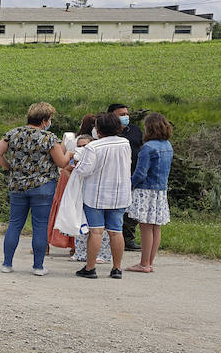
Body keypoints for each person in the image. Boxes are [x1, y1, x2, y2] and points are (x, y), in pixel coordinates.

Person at [0, 102, 69, 275]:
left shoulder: (13, 133)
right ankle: (38, 267)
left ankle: (7, 264)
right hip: (42, 186)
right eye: (49, 119)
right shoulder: (49, 138)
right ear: (44, 120)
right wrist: (70, 154)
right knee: (40, 226)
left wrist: (9, 168)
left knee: (14, 224)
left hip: (17, 185)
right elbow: (61, 163)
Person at [70, 112, 132, 279]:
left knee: (96, 232)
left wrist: (77, 162)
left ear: (98, 129)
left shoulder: (93, 147)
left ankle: (90, 268)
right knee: (116, 231)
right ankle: (117, 268)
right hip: (120, 194)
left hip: (96, 195)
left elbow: (84, 170)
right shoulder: (125, 143)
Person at [126, 112, 174, 273]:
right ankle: (149, 262)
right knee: (155, 227)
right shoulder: (167, 145)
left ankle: (144, 263)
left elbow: (140, 173)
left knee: (145, 227)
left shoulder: (148, 147)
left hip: (145, 190)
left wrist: (129, 185)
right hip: (160, 190)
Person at [109, 103, 144, 251]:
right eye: (121, 114)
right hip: (113, 175)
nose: (125, 117)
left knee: (131, 209)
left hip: (133, 173)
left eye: (126, 114)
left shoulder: (135, 130)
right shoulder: (107, 131)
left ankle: (128, 239)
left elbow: (142, 147)